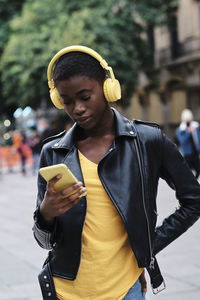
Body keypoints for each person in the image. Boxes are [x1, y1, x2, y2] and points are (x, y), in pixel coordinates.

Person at [32, 46, 200, 300]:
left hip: (126, 291)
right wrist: (46, 214)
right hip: (65, 291)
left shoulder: (147, 140)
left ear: (109, 88)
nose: (77, 108)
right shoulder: (52, 152)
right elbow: (44, 241)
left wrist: (145, 247)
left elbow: (193, 200)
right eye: (67, 101)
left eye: (85, 96)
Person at [176, 108, 200, 179]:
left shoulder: (196, 126)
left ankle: (194, 182)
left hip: (196, 152)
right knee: (188, 171)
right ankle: (191, 184)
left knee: (198, 169)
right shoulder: (181, 129)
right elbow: (182, 140)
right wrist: (188, 132)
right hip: (187, 154)